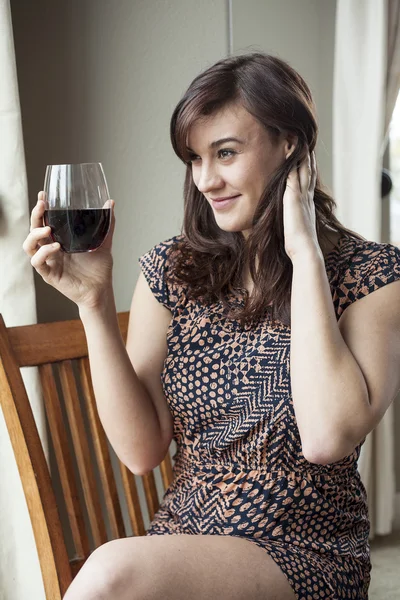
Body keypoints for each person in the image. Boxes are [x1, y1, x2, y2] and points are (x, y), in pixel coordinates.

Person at [23, 53, 400, 600]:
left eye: (225, 153)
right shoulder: (173, 270)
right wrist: (93, 302)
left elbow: (325, 439)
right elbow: (140, 451)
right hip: (185, 540)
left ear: (290, 145)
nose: (205, 179)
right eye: (194, 159)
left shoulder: (372, 275)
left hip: (305, 552)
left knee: (109, 573)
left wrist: (305, 254)